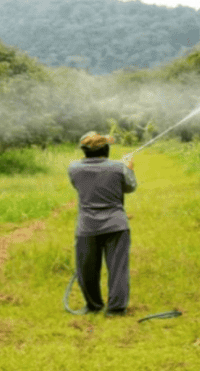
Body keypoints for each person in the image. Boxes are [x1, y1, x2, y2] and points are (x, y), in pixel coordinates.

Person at [67, 131, 136, 316]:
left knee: (86, 270)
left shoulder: (74, 168)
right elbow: (130, 187)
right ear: (106, 149)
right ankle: (116, 309)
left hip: (87, 227)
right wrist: (129, 168)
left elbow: (79, 185)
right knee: (118, 269)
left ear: (84, 151)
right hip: (117, 225)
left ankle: (93, 305)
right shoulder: (118, 167)